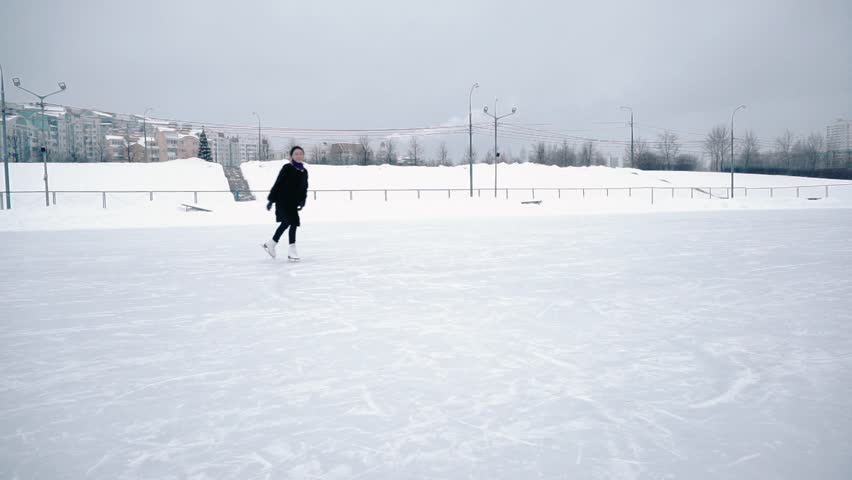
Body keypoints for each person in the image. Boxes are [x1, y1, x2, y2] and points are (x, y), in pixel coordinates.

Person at [263, 146, 309, 260]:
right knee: (292, 222)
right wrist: (271, 200)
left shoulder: (304, 171)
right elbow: (278, 183)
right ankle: (292, 250)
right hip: (282, 200)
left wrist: (302, 201)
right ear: (291, 156)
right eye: (296, 154)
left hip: (293, 202)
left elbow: (304, 188)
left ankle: (271, 243)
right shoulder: (287, 167)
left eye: (300, 154)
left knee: (287, 223)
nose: (299, 156)